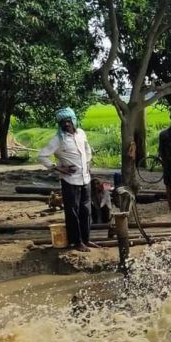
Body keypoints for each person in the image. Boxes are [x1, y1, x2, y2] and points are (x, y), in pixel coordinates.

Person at [37, 107, 95, 252]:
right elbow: (42, 156)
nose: (66, 124)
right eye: (63, 122)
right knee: (72, 212)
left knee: (86, 210)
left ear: (74, 120)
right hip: (70, 181)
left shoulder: (81, 133)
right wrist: (57, 168)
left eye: (68, 121)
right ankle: (76, 242)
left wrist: (88, 163)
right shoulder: (58, 140)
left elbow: (88, 150)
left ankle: (86, 240)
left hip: (85, 179)